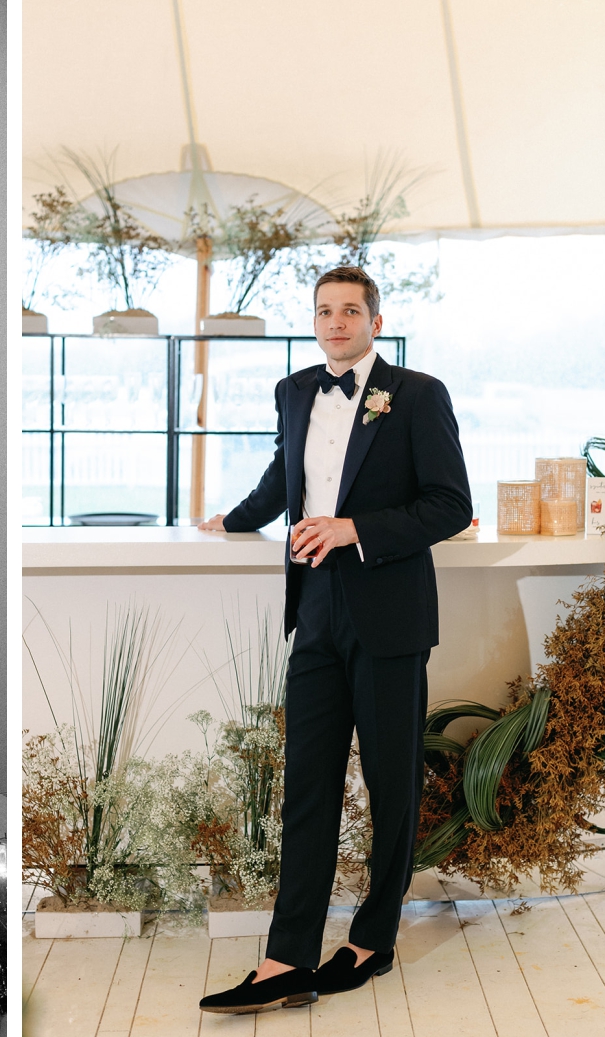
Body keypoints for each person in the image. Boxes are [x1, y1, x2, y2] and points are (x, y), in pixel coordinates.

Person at [197, 266, 471, 1014]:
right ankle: (286, 957)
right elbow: (285, 475)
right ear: (314, 320)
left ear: (375, 321)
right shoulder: (294, 392)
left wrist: (356, 529)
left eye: (351, 310)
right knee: (308, 787)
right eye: (325, 310)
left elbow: (451, 504)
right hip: (313, 613)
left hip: (387, 614)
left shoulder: (418, 394)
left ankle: (373, 937)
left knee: (391, 784)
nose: (337, 321)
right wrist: (234, 520)